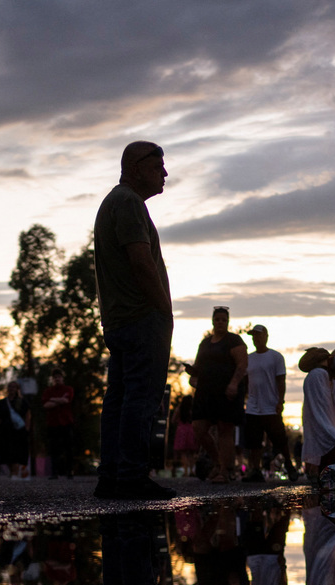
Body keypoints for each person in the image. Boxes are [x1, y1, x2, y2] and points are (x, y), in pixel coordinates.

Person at [93, 140, 175, 501]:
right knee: (141, 396)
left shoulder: (117, 202)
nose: (165, 173)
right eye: (159, 166)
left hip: (121, 319)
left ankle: (111, 475)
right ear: (137, 167)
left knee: (121, 397)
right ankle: (130, 475)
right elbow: (140, 261)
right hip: (141, 317)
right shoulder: (127, 202)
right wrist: (163, 309)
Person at [189, 306, 248, 483]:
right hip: (205, 391)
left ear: (227, 322)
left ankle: (225, 470)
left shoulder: (234, 340)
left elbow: (242, 364)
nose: (220, 322)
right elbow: (198, 365)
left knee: (225, 430)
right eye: (217, 319)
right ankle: (217, 462)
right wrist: (193, 375)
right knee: (199, 428)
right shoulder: (205, 342)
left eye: (223, 320)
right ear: (212, 321)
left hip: (226, 391)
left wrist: (234, 384)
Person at [241, 323, 298, 483]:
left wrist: (280, 401)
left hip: (271, 407)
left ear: (266, 336)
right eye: (253, 336)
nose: (256, 339)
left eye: (259, 335)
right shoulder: (249, 358)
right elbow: (245, 381)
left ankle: (289, 464)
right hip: (253, 406)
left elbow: (281, 380)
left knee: (279, 438)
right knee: (254, 441)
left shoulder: (276, 357)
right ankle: (255, 470)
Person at [298, 348, 335, 477]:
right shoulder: (319, 374)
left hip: (321, 426)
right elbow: (323, 405)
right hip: (326, 428)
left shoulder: (314, 375)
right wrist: (331, 428)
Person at [41, 367, 76, 478]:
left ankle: (69, 471)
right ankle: (54, 472)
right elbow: (46, 405)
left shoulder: (68, 389)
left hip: (66, 422)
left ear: (62, 378)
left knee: (68, 448)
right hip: (53, 423)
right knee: (54, 449)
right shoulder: (48, 391)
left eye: (59, 377)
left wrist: (52, 399)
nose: (57, 379)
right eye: (55, 377)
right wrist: (59, 400)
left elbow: (66, 400)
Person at [0, 380, 30, 479]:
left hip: (18, 431)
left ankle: (15, 472)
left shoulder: (22, 402)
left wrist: (27, 428)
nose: (11, 389)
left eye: (14, 387)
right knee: (6, 452)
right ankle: (12, 472)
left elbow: (27, 415)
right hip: (5, 431)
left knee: (17, 452)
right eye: (10, 387)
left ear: (17, 389)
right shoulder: (2, 403)